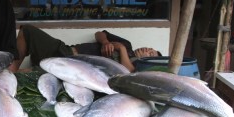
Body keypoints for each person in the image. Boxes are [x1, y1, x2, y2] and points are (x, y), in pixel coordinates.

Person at [9, 24, 161, 72]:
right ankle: (13, 68)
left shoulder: (134, 68)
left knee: (33, 74)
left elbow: (126, 71)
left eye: (151, 53)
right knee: (27, 31)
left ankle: (10, 74)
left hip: (75, 69)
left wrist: (120, 48)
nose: (147, 49)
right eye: (149, 47)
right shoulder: (128, 44)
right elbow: (99, 33)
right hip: (67, 51)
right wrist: (106, 42)